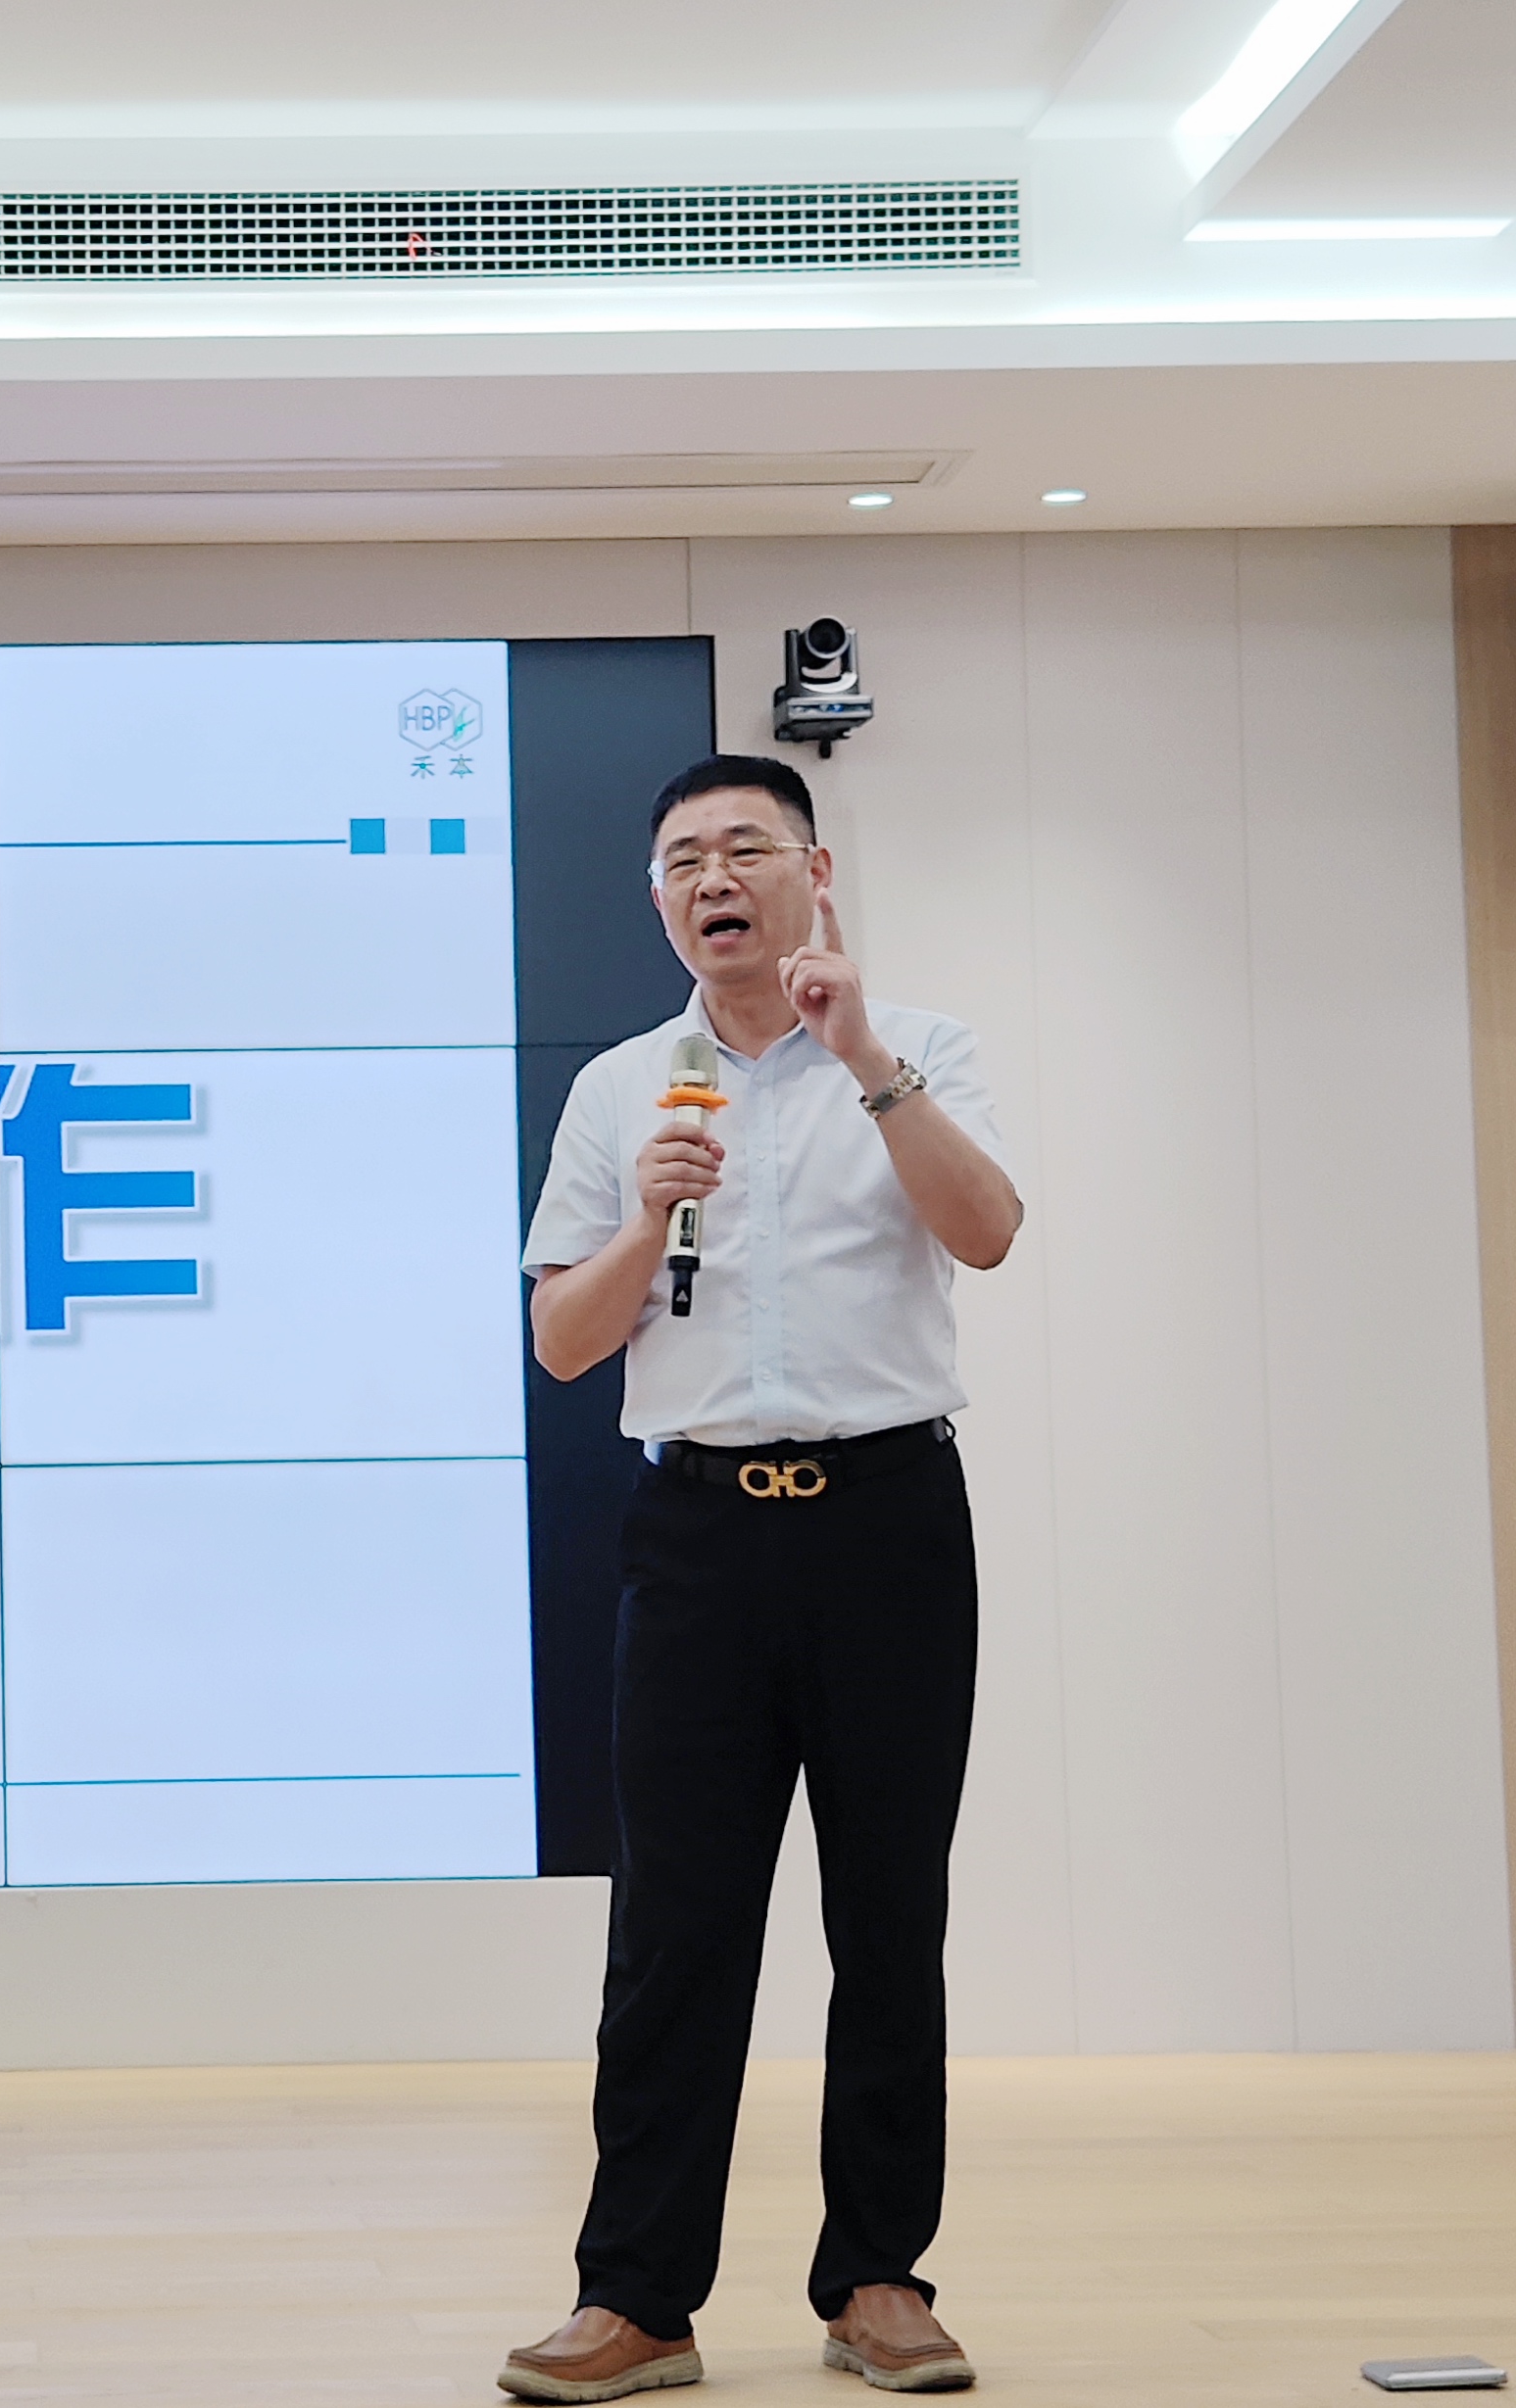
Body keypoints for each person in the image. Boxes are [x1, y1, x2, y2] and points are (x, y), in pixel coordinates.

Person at [499, 755, 1022, 2403]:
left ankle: (879, 2279)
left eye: (742, 847)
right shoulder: (618, 1090)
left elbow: (987, 1229)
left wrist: (862, 1059)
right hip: (699, 1534)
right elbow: (562, 1341)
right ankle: (634, 2297)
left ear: (812, 872)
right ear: (659, 901)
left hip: (887, 1520)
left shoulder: (917, 1043)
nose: (710, 877)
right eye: (680, 859)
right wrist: (642, 1221)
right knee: (673, 1928)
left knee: (889, 1912)